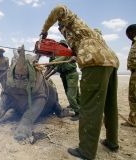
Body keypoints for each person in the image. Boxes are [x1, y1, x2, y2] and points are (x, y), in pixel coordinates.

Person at [40, 4, 119, 159]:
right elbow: (82, 49)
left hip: (94, 63)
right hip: (111, 61)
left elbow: (59, 8)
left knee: (89, 108)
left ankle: (86, 151)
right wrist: (75, 54)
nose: (60, 29)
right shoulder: (87, 34)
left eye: (60, 26)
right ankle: (112, 142)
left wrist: (44, 30)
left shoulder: (72, 21)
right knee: (110, 105)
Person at [45, 40, 80, 121]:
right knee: (75, 93)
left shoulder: (66, 53)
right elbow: (56, 68)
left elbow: (56, 63)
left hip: (71, 74)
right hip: (65, 75)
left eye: (61, 46)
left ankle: (78, 112)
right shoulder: (60, 56)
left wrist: (51, 63)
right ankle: (77, 106)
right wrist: (47, 76)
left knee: (71, 95)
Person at [121, 24, 136, 127]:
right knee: (133, 97)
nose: (129, 38)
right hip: (134, 72)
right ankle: (133, 120)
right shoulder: (134, 43)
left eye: (128, 36)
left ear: (131, 33)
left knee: (134, 98)